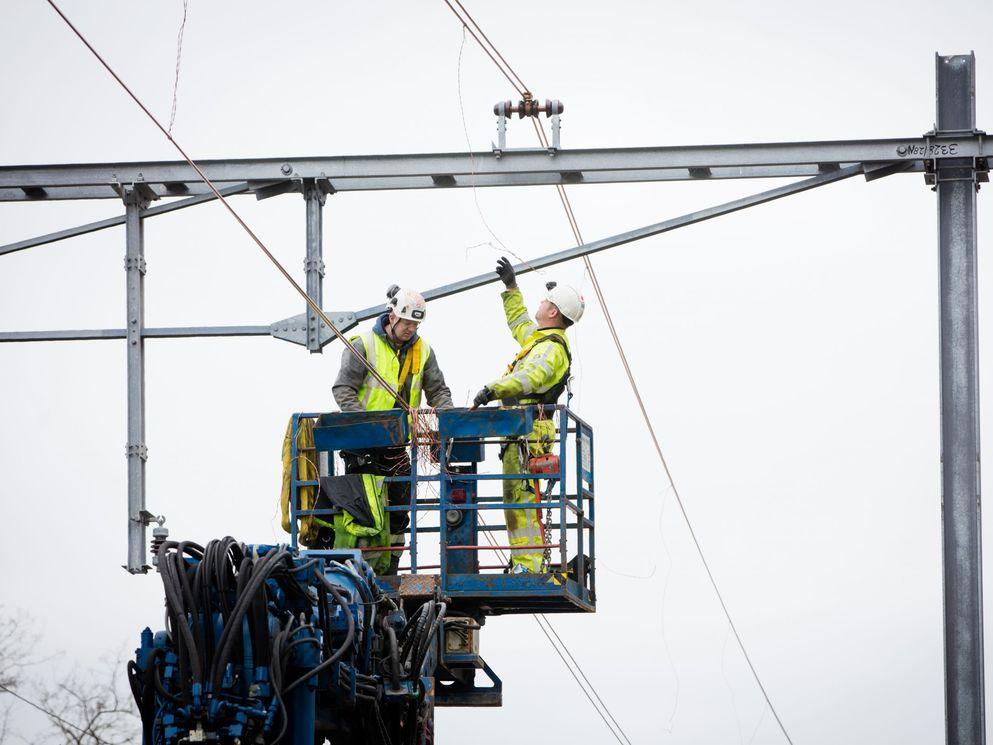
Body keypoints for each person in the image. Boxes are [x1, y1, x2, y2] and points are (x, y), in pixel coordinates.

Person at [472, 258, 585, 573]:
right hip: (521, 431)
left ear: (553, 312)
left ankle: (530, 564)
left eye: (546, 301)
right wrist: (511, 288)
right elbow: (519, 322)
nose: (541, 303)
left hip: (529, 433)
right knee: (516, 500)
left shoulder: (551, 351)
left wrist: (493, 389)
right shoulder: (541, 340)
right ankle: (526, 561)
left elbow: (531, 378)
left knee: (522, 500)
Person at [332, 285, 454, 573]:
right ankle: (359, 571)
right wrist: (367, 425)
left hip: (397, 446)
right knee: (366, 513)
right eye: (407, 322)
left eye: (416, 324)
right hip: (362, 446)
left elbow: (438, 391)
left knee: (399, 510)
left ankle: (390, 569)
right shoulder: (362, 345)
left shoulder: (423, 352)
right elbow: (343, 389)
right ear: (393, 317)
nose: (411, 329)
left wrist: (449, 421)